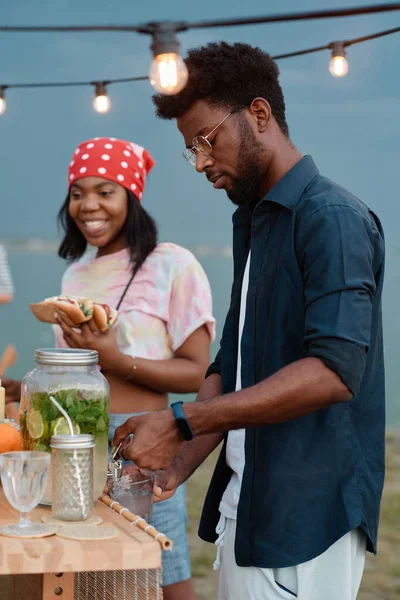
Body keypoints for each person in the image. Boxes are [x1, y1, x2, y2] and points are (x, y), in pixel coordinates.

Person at [113, 42, 386, 600]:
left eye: (206, 141)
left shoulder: (332, 219)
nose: (202, 164)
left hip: (307, 522)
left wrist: (182, 419)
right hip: (249, 507)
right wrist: (176, 462)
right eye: (191, 150)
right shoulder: (256, 223)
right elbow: (232, 363)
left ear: (259, 115)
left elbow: (334, 372)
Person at [6, 136, 216, 600]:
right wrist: (20, 387)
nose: (89, 205)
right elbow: (76, 381)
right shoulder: (74, 276)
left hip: (139, 440)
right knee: (85, 571)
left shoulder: (171, 264)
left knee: (160, 569)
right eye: (78, 193)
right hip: (71, 441)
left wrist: (116, 359)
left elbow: (198, 373)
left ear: (131, 197)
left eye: (106, 191)